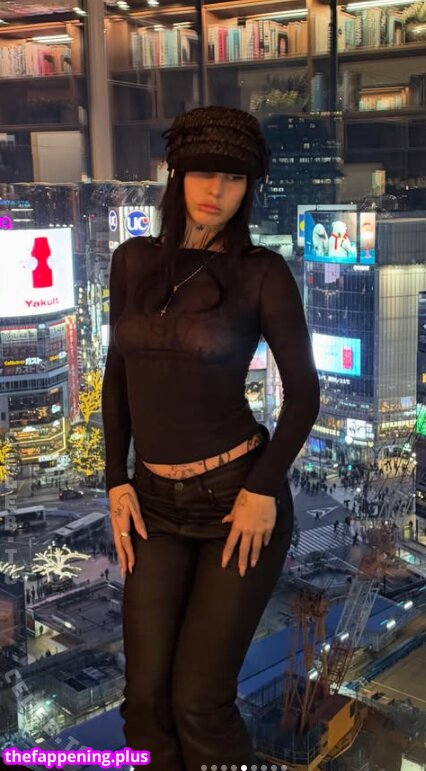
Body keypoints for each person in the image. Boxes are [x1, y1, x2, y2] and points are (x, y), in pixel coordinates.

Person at [101, 105, 320, 771]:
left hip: (236, 500)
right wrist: (115, 479)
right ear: (178, 175)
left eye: (233, 178)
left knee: (200, 701)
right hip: (152, 505)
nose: (215, 190)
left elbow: (304, 394)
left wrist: (262, 490)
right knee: (145, 702)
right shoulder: (132, 261)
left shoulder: (261, 273)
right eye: (203, 173)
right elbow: (117, 376)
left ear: (248, 188)